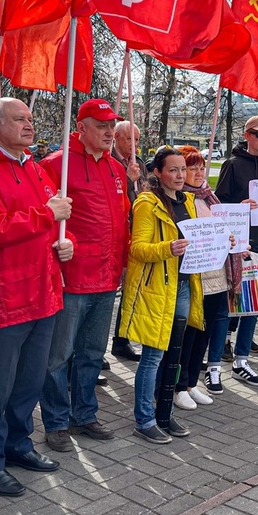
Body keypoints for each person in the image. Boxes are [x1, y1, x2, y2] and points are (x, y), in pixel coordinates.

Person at [0, 98, 74, 497]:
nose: (29, 124)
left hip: (43, 291)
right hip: (5, 295)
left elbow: (54, 224)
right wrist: (48, 215)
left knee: (28, 382)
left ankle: (18, 444)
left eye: (30, 118)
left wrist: (67, 243)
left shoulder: (36, 169)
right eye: (19, 119)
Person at [39, 99, 129, 453]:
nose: (111, 132)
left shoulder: (115, 169)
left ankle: (85, 413)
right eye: (103, 126)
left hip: (107, 277)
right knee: (59, 355)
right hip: (73, 277)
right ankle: (57, 421)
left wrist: (121, 262)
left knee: (92, 352)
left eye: (112, 126)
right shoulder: (55, 166)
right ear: (82, 129)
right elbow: (45, 219)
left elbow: (120, 221)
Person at [117, 148, 204, 444]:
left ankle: (164, 415)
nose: (180, 176)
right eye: (174, 170)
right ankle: (144, 418)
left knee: (174, 353)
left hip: (182, 285)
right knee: (153, 356)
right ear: (158, 172)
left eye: (183, 170)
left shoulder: (188, 201)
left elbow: (199, 239)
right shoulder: (146, 203)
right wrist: (168, 248)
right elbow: (137, 248)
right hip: (156, 288)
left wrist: (219, 240)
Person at [214, 115, 258, 375]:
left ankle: (242, 358)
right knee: (229, 301)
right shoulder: (232, 165)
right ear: (247, 135)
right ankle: (219, 351)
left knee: (254, 304)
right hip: (238, 242)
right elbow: (217, 203)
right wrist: (239, 208)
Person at [177, 146, 238, 405]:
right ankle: (178, 386)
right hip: (194, 277)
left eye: (202, 167)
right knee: (188, 333)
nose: (199, 172)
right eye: (193, 168)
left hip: (216, 276)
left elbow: (222, 230)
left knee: (206, 330)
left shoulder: (210, 198)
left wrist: (232, 238)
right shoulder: (179, 200)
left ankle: (191, 383)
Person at [111, 119, 146, 363]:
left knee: (129, 290)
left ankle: (121, 340)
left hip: (136, 232)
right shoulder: (108, 161)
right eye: (129, 139)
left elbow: (142, 197)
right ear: (116, 138)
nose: (134, 145)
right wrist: (125, 177)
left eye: (137, 140)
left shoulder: (139, 164)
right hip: (115, 232)